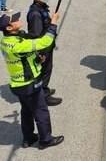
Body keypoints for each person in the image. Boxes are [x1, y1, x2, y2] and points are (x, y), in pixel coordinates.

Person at [0, 12, 64, 149]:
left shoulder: (6, 41)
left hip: (17, 84)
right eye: (14, 20)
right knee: (41, 111)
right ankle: (46, 140)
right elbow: (45, 42)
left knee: (26, 111)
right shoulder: (17, 45)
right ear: (9, 28)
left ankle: (28, 138)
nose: (18, 20)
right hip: (29, 84)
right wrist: (53, 23)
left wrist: (37, 60)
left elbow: (22, 58)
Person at [26, 0, 63, 106]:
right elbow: (36, 35)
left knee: (47, 69)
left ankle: (44, 90)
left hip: (48, 44)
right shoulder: (35, 14)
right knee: (44, 71)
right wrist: (40, 54)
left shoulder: (41, 7)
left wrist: (50, 20)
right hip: (43, 48)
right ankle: (43, 97)